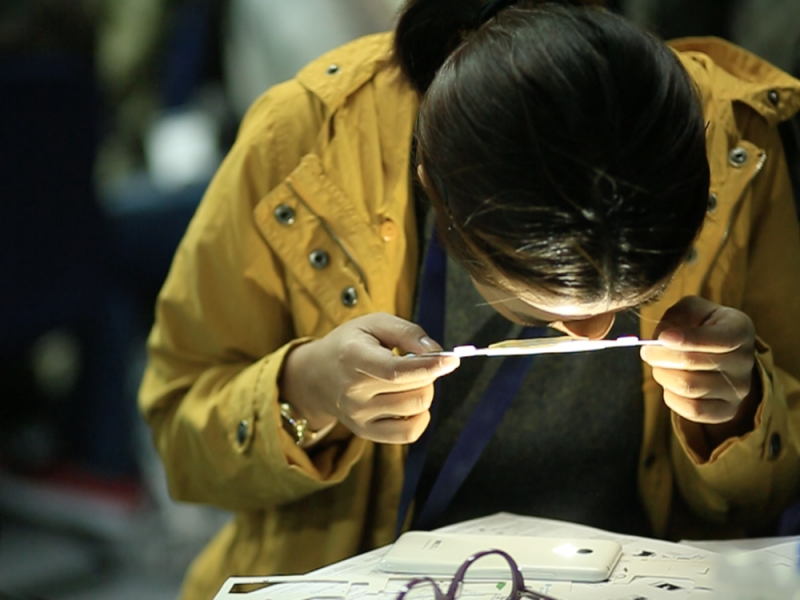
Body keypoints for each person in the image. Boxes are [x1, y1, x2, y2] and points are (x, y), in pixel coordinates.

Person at [138, 0, 800, 597]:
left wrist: (739, 416)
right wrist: (305, 391)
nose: (598, 333)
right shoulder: (306, 140)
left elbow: (775, 490)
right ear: (434, 188)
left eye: (642, 291)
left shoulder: (734, 139)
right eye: (542, 303)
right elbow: (179, 439)